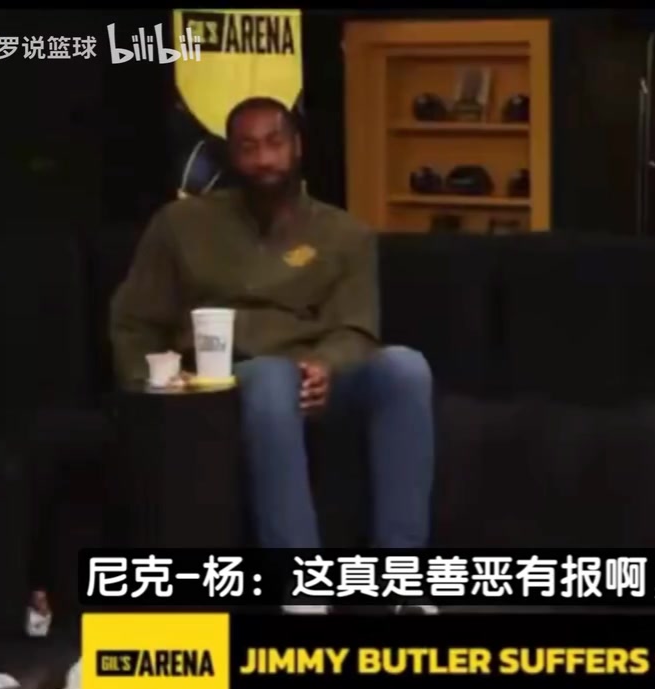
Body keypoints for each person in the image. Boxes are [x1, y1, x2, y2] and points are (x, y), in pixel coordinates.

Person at [110, 97, 437, 614]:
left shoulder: (344, 234)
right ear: (230, 157)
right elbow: (133, 320)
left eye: (274, 143)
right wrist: (148, 386)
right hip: (225, 381)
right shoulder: (180, 225)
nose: (264, 159)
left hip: (318, 375)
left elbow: (357, 327)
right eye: (248, 148)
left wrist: (326, 366)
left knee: (406, 367)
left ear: (297, 146)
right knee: (270, 377)